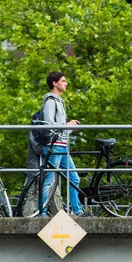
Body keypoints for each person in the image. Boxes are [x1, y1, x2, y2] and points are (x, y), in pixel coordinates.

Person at [40, 72, 87, 217]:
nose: (66, 84)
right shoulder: (50, 101)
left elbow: (59, 127)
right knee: (50, 179)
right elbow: (49, 124)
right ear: (55, 83)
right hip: (54, 145)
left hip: (62, 145)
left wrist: (69, 129)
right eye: (63, 81)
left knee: (74, 178)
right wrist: (67, 125)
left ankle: (77, 210)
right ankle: (41, 212)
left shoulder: (59, 101)